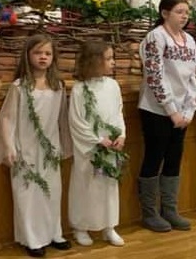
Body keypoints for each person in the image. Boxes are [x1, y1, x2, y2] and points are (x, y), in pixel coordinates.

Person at [0, 34, 71, 258]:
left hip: (49, 149)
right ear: (28, 56)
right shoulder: (20, 87)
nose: (43, 57)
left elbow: (62, 119)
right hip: (25, 148)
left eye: (47, 53)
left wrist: (64, 145)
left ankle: (54, 233)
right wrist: (9, 146)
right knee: (27, 194)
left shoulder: (58, 86)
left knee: (52, 192)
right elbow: (7, 118)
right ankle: (32, 238)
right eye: (38, 53)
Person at [138, 0, 196, 232]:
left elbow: (192, 78)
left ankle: (170, 209)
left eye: (186, 12)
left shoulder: (189, 40)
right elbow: (155, 76)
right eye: (179, 12)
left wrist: (189, 110)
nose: (184, 16)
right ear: (165, 13)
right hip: (156, 110)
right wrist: (172, 111)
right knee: (154, 157)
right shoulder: (156, 37)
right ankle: (149, 212)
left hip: (181, 113)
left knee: (174, 158)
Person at [68, 41, 126, 247]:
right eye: (108, 59)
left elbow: (118, 112)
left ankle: (109, 226)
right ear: (94, 61)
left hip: (111, 146)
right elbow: (76, 121)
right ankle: (81, 227)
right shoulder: (79, 89)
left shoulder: (113, 85)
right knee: (86, 186)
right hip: (90, 147)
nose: (113, 62)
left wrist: (121, 135)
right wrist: (97, 140)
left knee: (108, 186)